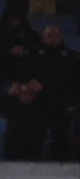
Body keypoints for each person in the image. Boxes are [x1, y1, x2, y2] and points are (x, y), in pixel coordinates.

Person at [25, 25, 78, 161]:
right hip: (39, 101)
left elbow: (72, 78)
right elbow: (24, 73)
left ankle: (60, 162)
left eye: (55, 35)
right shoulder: (34, 54)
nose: (52, 38)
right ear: (43, 37)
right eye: (48, 35)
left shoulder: (70, 57)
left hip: (62, 101)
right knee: (35, 135)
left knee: (61, 136)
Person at [0, 4, 40, 97]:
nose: (15, 22)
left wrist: (26, 52)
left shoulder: (31, 35)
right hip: (3, 80)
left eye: (18, 19)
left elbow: (39, 53)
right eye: (13, 19)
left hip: (28, 80)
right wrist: (8, 52)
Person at [0, 79, 50, 161]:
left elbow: (52, 112)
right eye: (23, 93)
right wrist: (9, 93)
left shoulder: (40, 105)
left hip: (34, 146)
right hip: (13, 146)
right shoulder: (13, 103)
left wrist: (43, 91)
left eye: (29, 94)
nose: (26, 96)